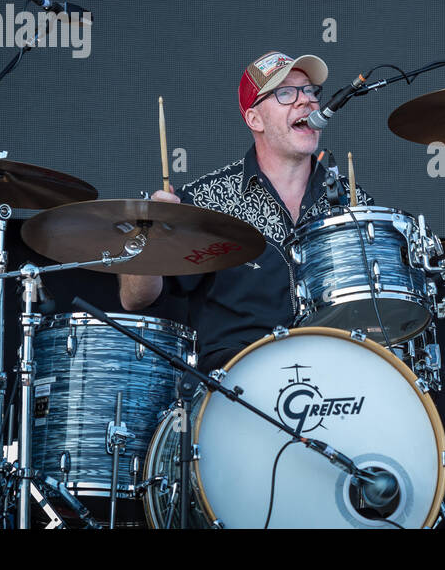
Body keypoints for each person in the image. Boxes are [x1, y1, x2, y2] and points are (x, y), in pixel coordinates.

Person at [119, 50, 368, 372]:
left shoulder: (354, 205)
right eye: (285, 93)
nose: (305, 101)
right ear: (254, 119)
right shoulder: (206, 201)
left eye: (309, 91)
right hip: (236, 386)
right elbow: (134, 299)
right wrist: (148, 234)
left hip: (337, 380)